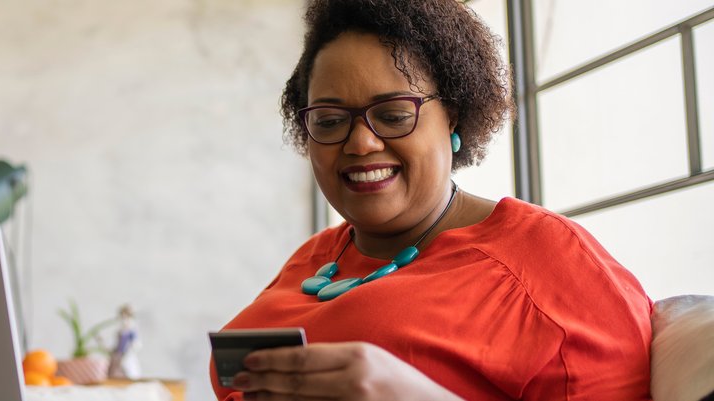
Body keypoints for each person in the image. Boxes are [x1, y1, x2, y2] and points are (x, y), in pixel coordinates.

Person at [211, 0, 653, 400]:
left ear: (452, 117)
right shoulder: (317, 257)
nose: (361, 143)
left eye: (394, 115)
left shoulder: (546, 261)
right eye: (329, 121)